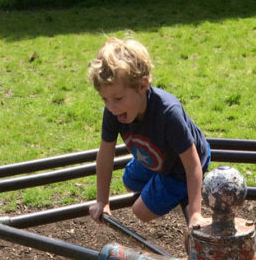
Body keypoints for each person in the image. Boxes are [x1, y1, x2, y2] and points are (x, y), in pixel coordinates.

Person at [87, 36, 211, 232]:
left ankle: (181, 193)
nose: (111, 107)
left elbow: (192, 163)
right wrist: (102, 200)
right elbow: (105, 155)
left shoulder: (168, 113)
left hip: (179, 168)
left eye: (117, 98)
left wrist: (195, 213)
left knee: (140, 211)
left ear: (142, 86)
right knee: (129, 180)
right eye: (104, 99)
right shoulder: (113, 111)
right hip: (159, 157)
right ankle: (160, 184)